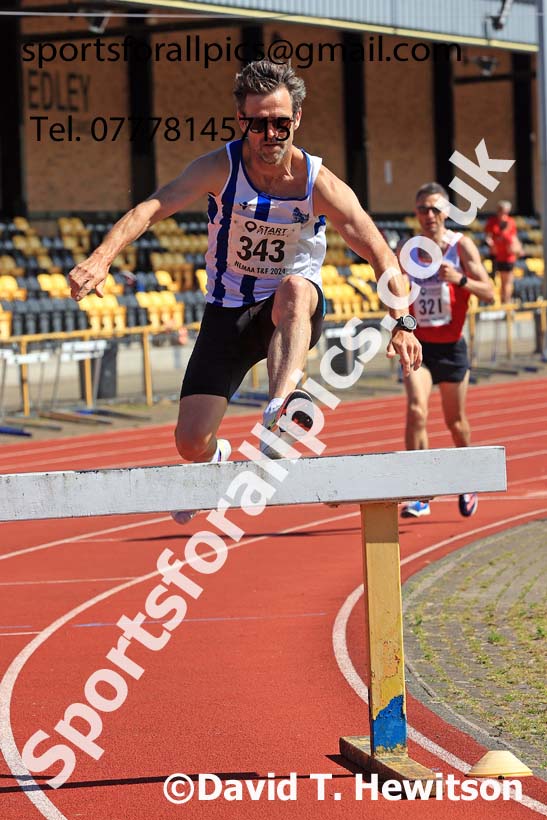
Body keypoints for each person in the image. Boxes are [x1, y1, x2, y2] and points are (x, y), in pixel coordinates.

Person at [69, 59, 422, 523]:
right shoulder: (220, 167)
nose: (270, 135)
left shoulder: (319, 182)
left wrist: (401, 320)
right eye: (259, 124)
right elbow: (152, 208)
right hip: (227, 312)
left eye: (280, 123)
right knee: (189, 441)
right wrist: (101, 257)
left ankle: (278, 411)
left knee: (297, 286)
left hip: (288, 308)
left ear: (296, 119)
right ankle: (215, 461)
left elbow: (378, 250)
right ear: (243, 122)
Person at [399, 182, 495, 519]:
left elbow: (491, 293)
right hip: (419, 348)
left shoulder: (461, 246)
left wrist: (459, 279)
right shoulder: (407, 249)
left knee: (455, 423)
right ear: (416, 213)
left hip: (452, 348)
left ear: (447, 213)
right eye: (423, 208)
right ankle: (420, 491)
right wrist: (399, 323)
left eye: (435, 209)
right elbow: (393, 297)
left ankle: (467, 478)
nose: (429, 215)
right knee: (416, 409)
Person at [485, 200, 522, 304]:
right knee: (502, 282)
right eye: (502, 211)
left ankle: (507, 303)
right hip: (497, 256)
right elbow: (488, 237)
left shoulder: (511, 222)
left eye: (506, 212)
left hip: (508, 257)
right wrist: (491, 243)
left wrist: (517, 249)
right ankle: (503, 303)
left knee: (507, 283)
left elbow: (514, 239)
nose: (504, 214)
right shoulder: (493, 222)